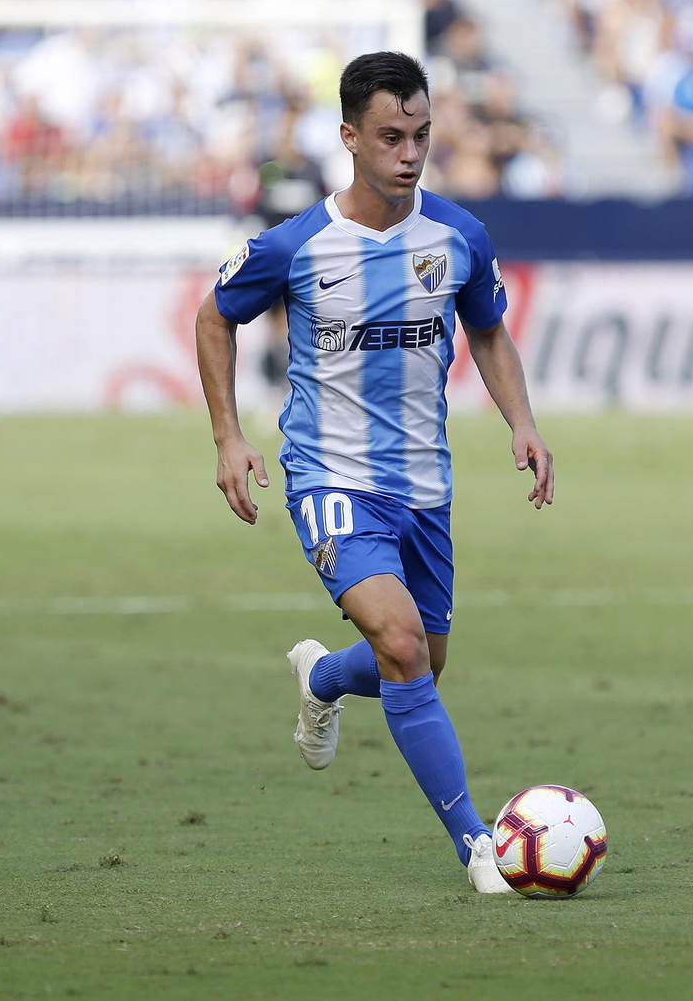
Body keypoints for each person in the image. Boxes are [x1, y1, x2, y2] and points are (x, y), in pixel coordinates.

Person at [194, 52, 554, 894]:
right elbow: (215, 318)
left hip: (426, 486)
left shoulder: (458, 237)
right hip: (329, 479)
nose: (409, 153)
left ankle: (322, 676)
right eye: (391, 136)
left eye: (422, 135)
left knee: (421, 659)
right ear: (350, 137)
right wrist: (226, 437)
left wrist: (523, 422)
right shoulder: (297, 245)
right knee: (398, 644)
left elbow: (490, 333)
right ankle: (478, 843)